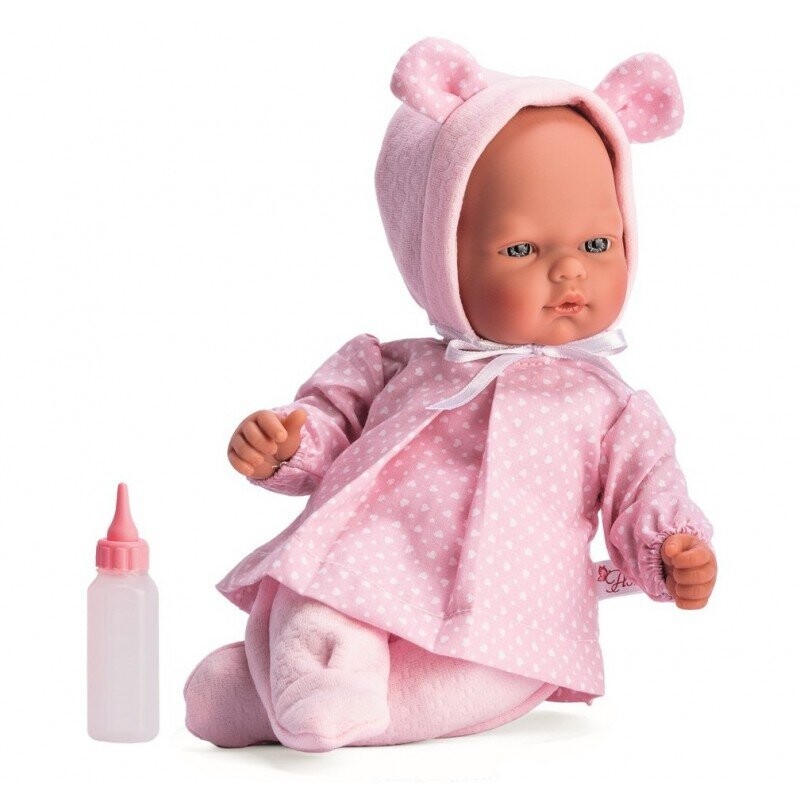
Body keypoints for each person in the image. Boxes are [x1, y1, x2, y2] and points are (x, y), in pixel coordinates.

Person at [185, 38, 716, 752]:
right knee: (318, 596)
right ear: (434, 253)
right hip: (370, 561)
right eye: (522, 250)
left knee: (491, 674)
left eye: (597, 245)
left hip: (513, 610)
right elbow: (329, 422)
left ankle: (265, 697)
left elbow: (647, 485)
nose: (570, 273)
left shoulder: (613, 409)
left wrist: (671, 546)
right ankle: (317, 673)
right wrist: (286, 443)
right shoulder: (397, 367)